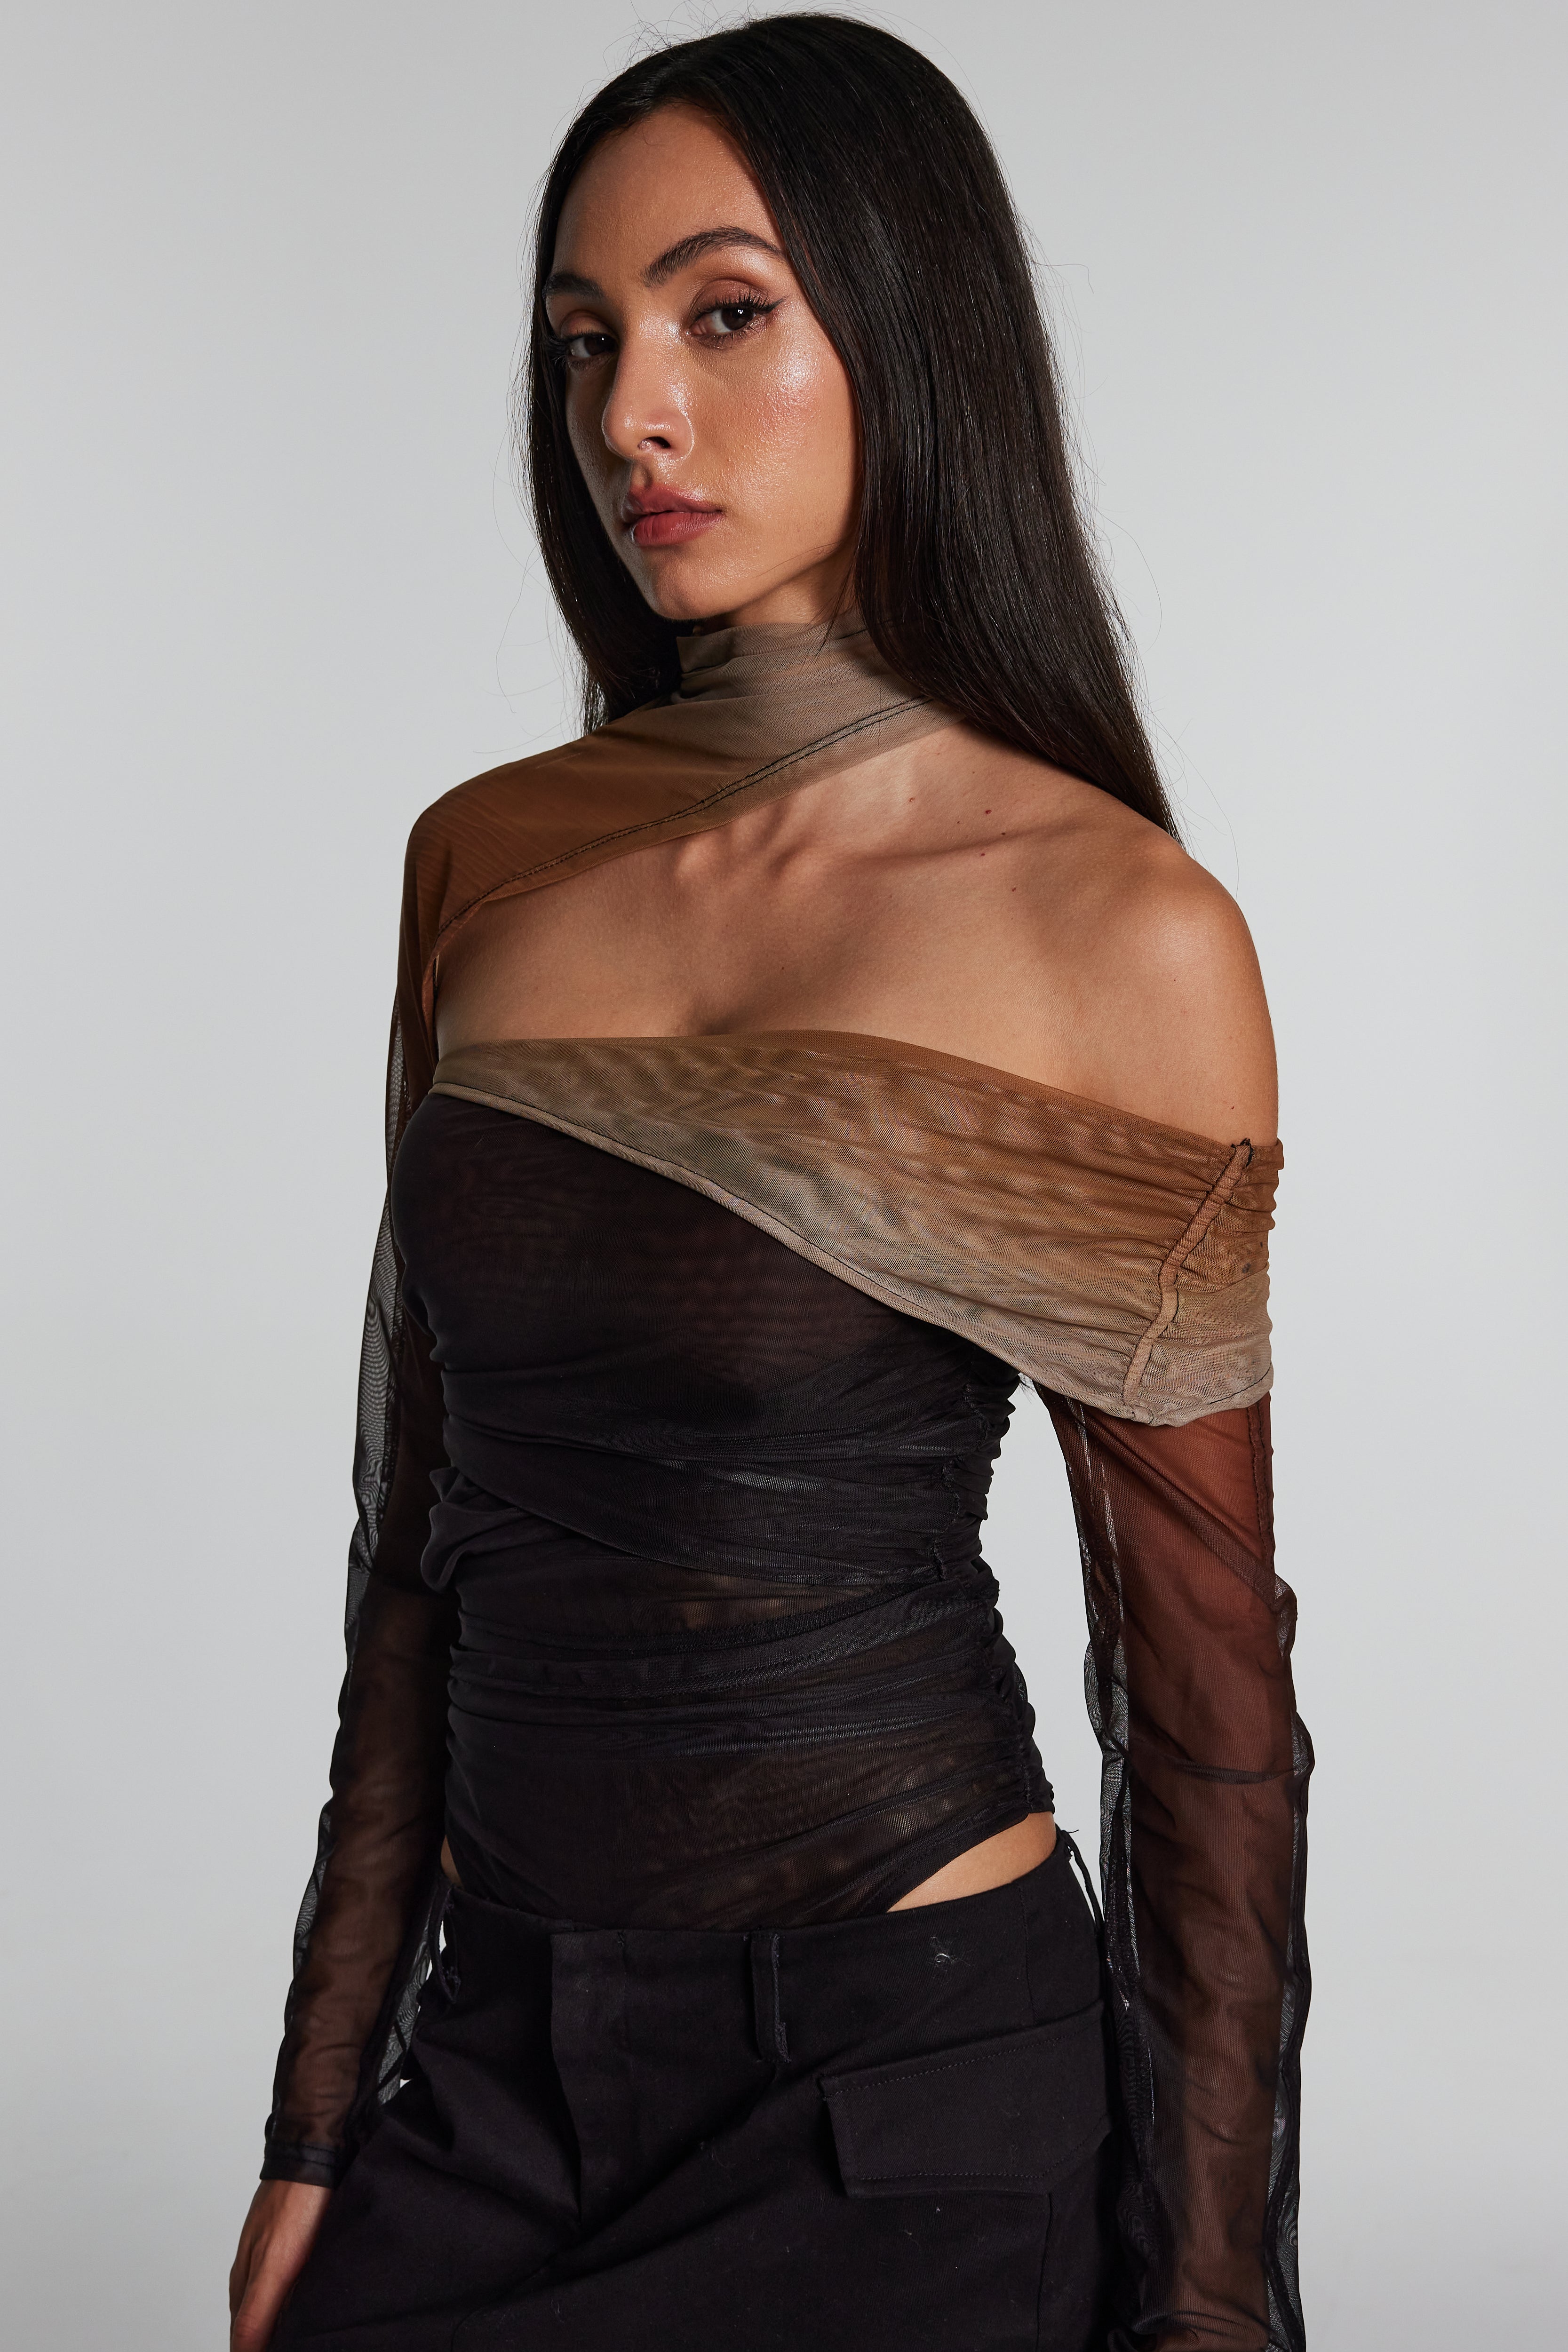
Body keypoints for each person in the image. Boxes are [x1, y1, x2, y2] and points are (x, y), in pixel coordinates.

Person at [228, 17, 1310, 2350]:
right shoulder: (489, 864)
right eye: (584, 340)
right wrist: (321, 2115)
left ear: (909, 330)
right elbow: (416, 1550)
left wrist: (1214, 2301)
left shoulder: (1116, 928)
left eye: (724, 314)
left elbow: (1209, 1705)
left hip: (902, 2098)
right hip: (494, 2071)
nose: (633, 410)